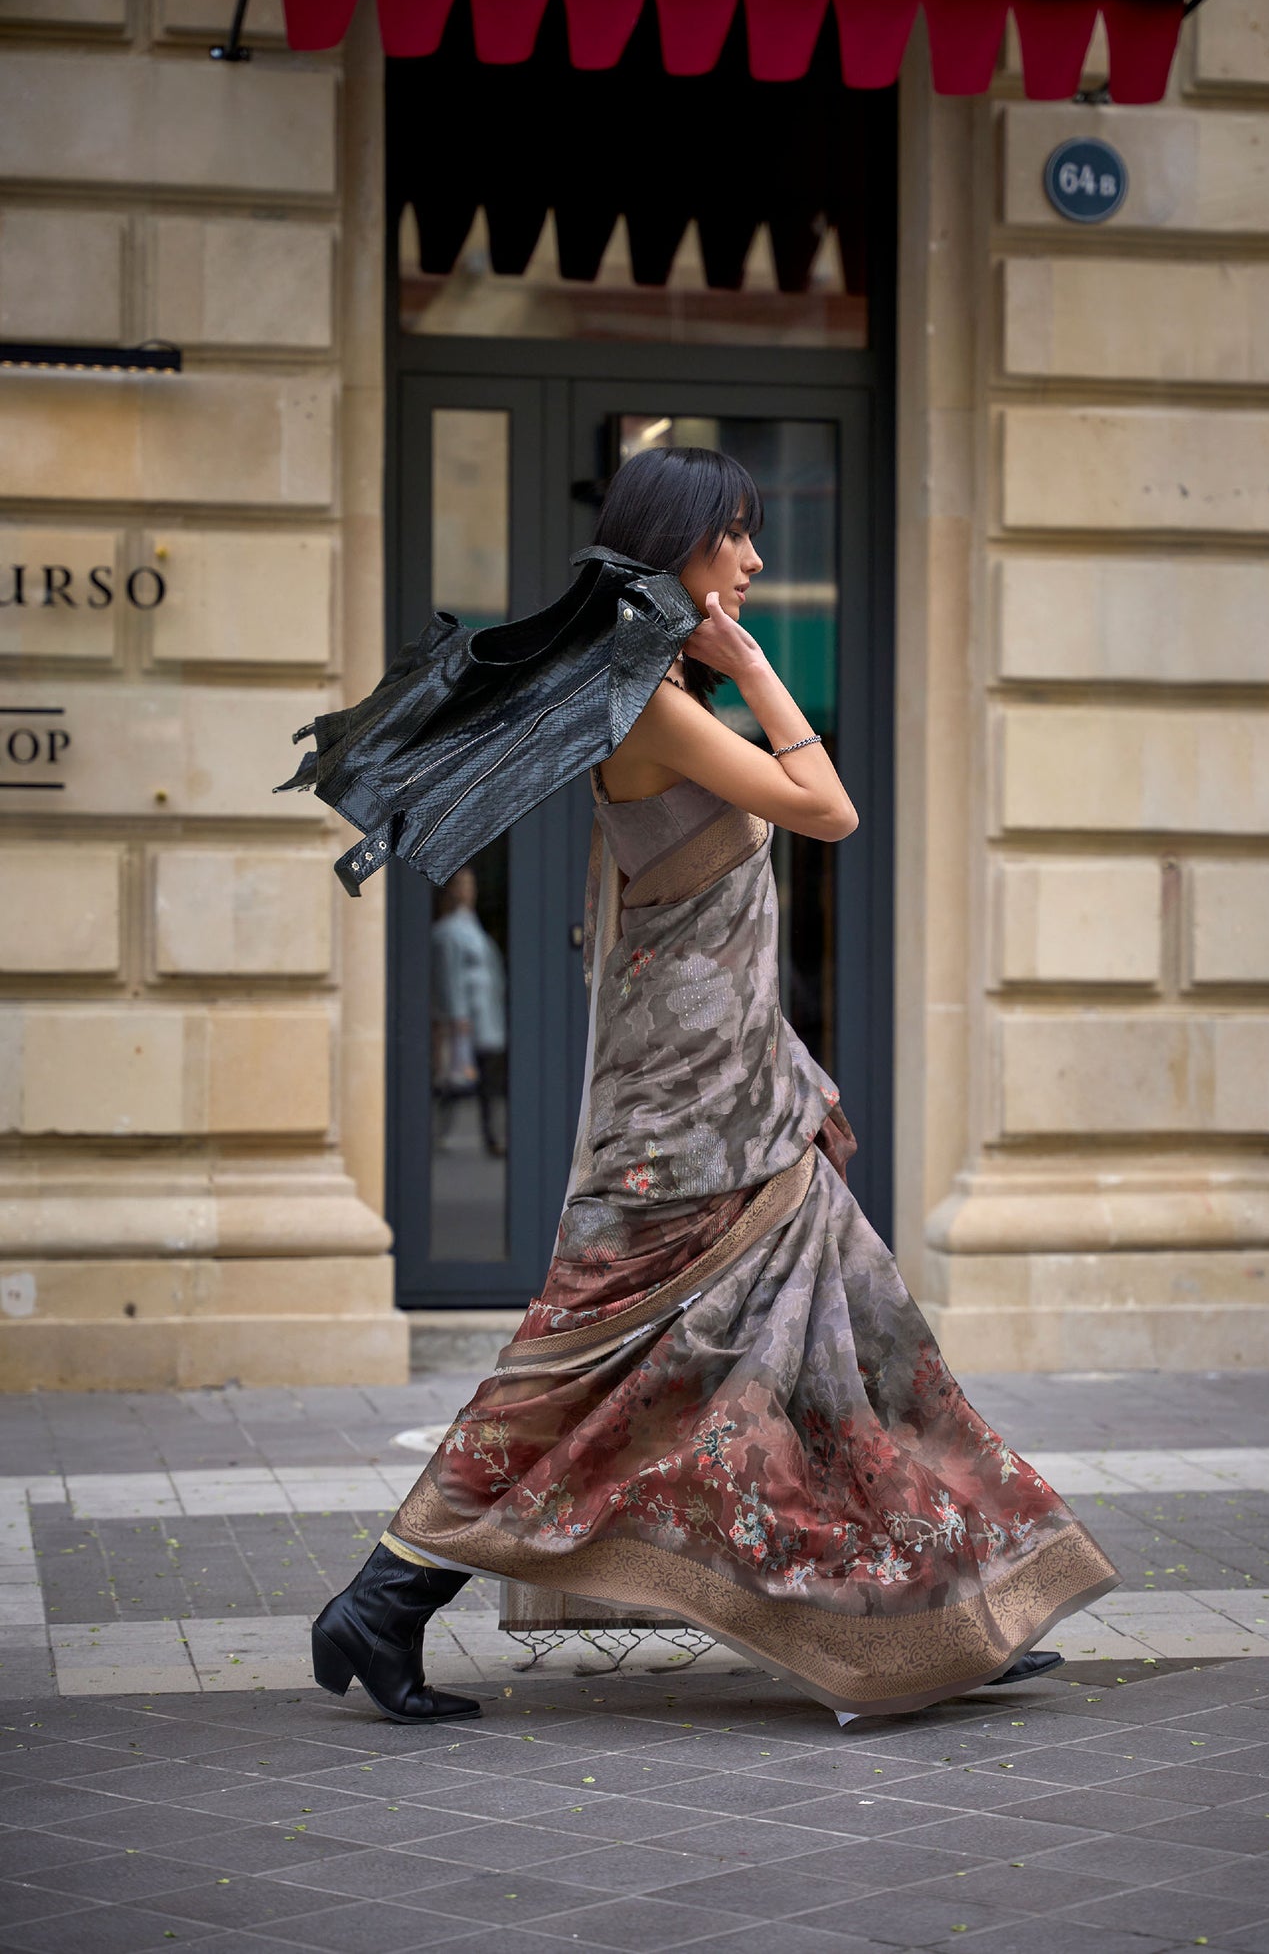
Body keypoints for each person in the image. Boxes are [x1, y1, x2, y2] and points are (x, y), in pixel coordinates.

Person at [312, 446, 1117, 1725]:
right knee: (570, 1368)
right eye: (732, 537)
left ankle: (949, 1608)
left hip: (747, 1105)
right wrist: (749, 665)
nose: (750, 560)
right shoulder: (645, 705)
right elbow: (829, 807)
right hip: (680, 1131)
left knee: (863, 1358)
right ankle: (386, 1594)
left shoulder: (650, 690)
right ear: (673, 545)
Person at [431, 866, 507, 1159]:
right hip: (470, 1016)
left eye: (471, 884)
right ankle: (442, 1130)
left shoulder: (471, 925)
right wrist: (457, 1014)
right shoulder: (449, 931)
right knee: (458, 1077)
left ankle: (488, 1134)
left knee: (480, 1077)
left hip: (484, 1012)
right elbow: (450, 976)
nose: (468, 890)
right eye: (463, 884)